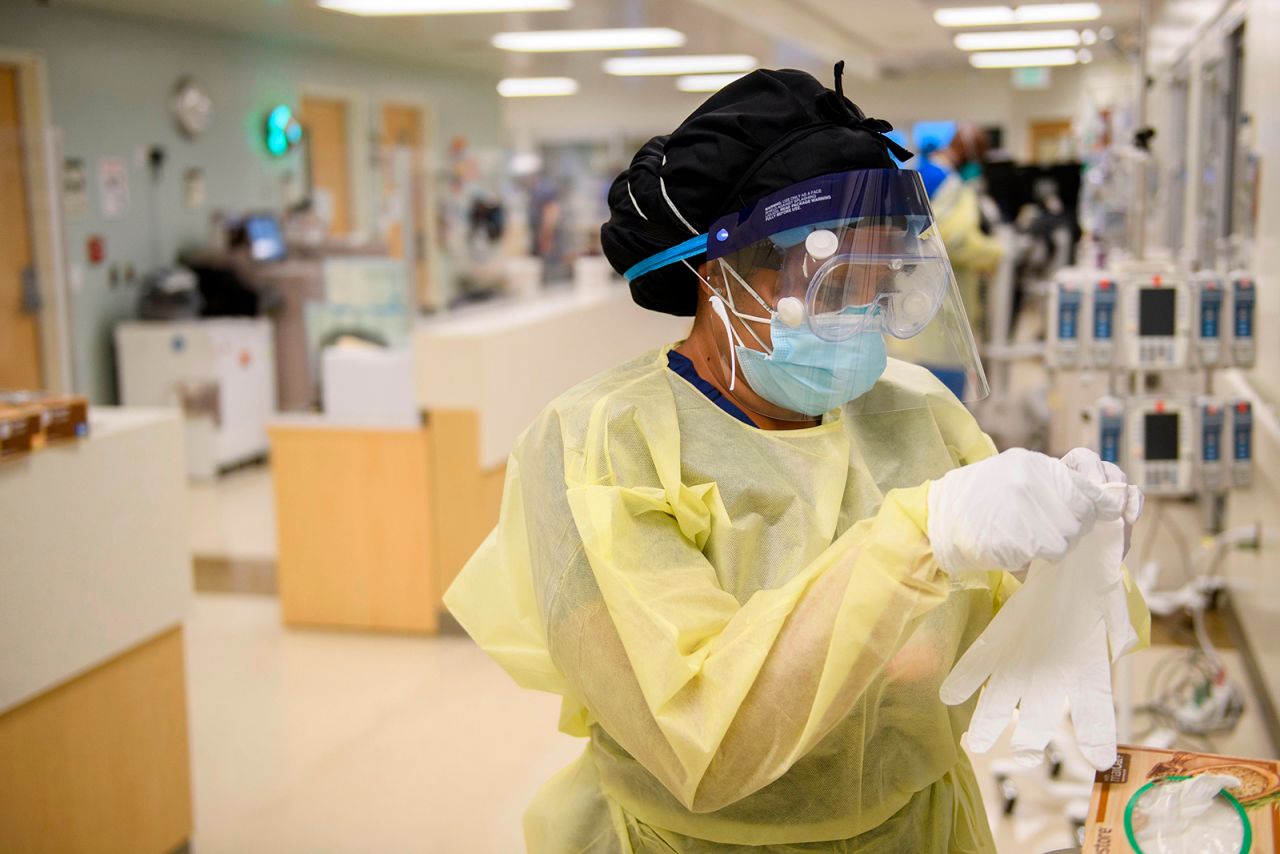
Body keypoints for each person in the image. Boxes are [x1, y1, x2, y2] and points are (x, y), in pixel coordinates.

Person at [444, 65, 1147, 853]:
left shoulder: (914, 413)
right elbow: (699, 736)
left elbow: (964, 640)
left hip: (919, 831)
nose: (867, 316)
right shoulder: (600, 449)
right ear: (723, 277)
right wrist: (920, 539)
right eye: (840, 284)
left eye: (882, 284)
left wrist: (1068, 545)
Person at [919, 124, 1004, 340]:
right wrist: (994, 253)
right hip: (939, 283)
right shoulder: (947, 182)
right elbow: (956, 240)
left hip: (918, 282)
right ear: (968, 152)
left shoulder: (922, 170)